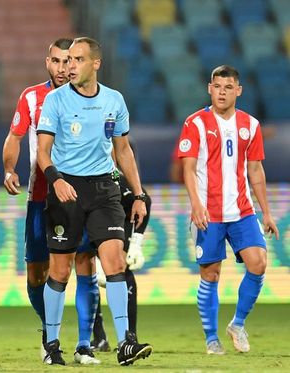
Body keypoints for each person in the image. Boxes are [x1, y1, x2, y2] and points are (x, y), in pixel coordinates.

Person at [35, 37, 152, 366]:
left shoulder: (114, 101)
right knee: (60, 270)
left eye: (78, 60)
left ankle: (126, 342)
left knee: (115, 262)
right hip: (66, 189)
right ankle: (52, 342)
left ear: (95, 64)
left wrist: (139, 194)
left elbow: (123, 150)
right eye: (68, 60)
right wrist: (55, 180)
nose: (70, 66)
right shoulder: (55, 101)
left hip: (104, 189)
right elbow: (43, 152)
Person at [2, 38, 100, 365]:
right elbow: (15, 136)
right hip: (41, 197)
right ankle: (50, 334)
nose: (62, 68)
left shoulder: (90, 96)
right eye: (56, 61)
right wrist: (8, 169)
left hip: (83, 196)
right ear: (48, 62)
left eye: (68, 61)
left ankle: (85, 344)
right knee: (36, 275)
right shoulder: (32, 97)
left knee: (84, 264)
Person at [177, 65, 279, 355]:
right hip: (208, 213)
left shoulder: (251, 125)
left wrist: (267, 212)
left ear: (238, 91)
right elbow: (188, 168)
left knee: (258, 263)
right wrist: (196, 205)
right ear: (210, 88)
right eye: (217, 86)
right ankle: (211, 339)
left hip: (243, 211)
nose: (222, 92)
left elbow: (255, 169)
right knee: (210, 275)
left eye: (228, 87)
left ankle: (237, 323)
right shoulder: (195, 122)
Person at [91, 171, 152, 352]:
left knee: (121, 270)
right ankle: (98, 337)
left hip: (117, 221)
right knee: (87, 273)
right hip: (89, 221)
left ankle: (129, 336)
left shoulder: (116, 179)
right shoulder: (77, 178)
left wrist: (136, 243)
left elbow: (145, 200)